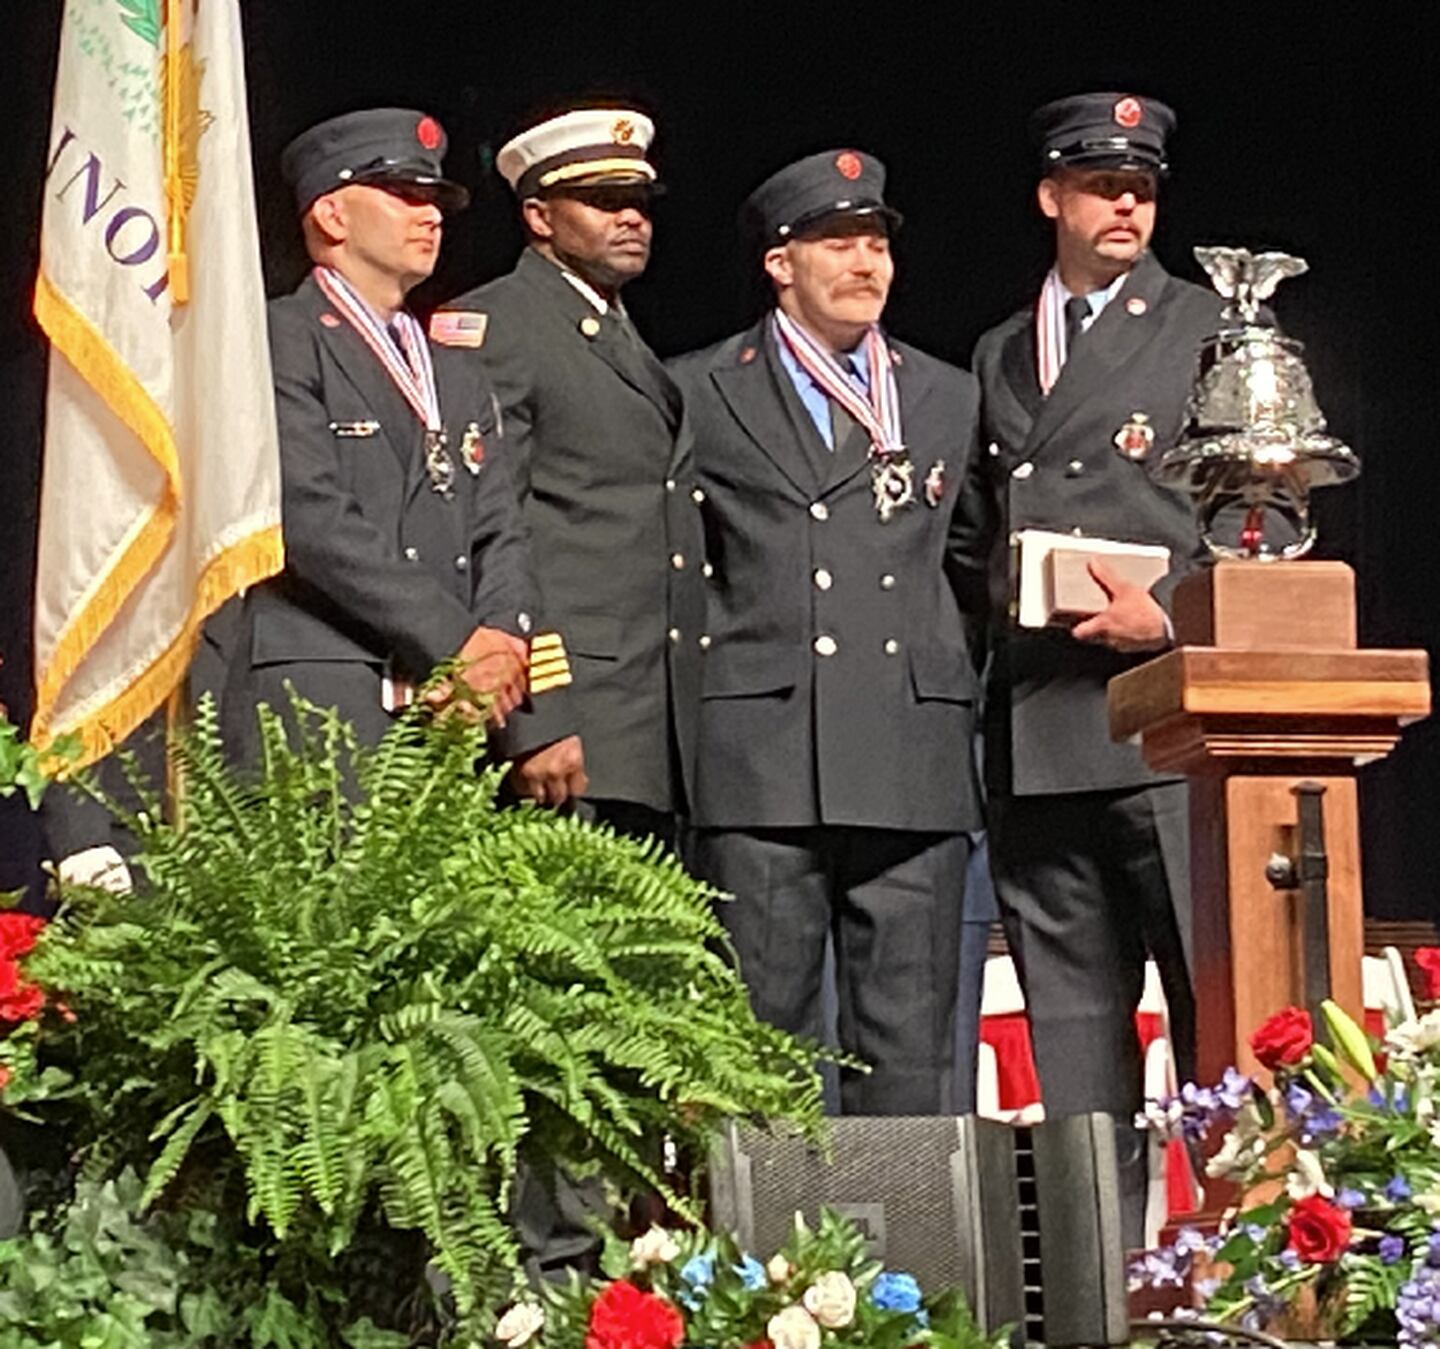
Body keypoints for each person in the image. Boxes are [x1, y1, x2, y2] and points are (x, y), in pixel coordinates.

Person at [669, 149, 988, 1115]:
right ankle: (768, 1268)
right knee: (760, 1043)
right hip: (763, 755)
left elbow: (972, 561)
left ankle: (916, 1262)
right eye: (838, 243)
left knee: (911, 1045)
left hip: (909, 747)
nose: (866, 263)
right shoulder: (701, 385)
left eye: (877, 242)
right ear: (780, 263)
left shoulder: (943, 394)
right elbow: (680, 568)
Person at [970, 91, 1221, 1243]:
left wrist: (1168, 613)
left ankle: (1248, 1273)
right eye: (1102, 184)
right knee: (1077, 1052)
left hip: (1168, 730)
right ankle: (1100, 1290)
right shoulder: (998, 348)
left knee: (1216, 1024)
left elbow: (1266, 520)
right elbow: (974, 534)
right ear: (1050, 199)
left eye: (1143, 186)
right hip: (1042, 727)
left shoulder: (1213, 329)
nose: (1127, 202)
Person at [224, 108, 563, 763]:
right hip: (326, 691)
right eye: (405, 196)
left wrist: (500, 643)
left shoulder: (455, 368)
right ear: (331, 215)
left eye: (435, 199)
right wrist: (456, 641)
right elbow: (306, 513)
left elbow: (502, 531)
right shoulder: (278, 337)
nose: (431, 215)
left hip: (454, 707)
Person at [435, 107, 701, 839]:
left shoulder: (618, 331)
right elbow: (493, 527)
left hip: (646, 724)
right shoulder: (497, 327)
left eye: (639, 204)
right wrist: (535, 713)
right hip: (569, 720)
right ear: (538, 217)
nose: (631, 220)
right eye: (604, 203)